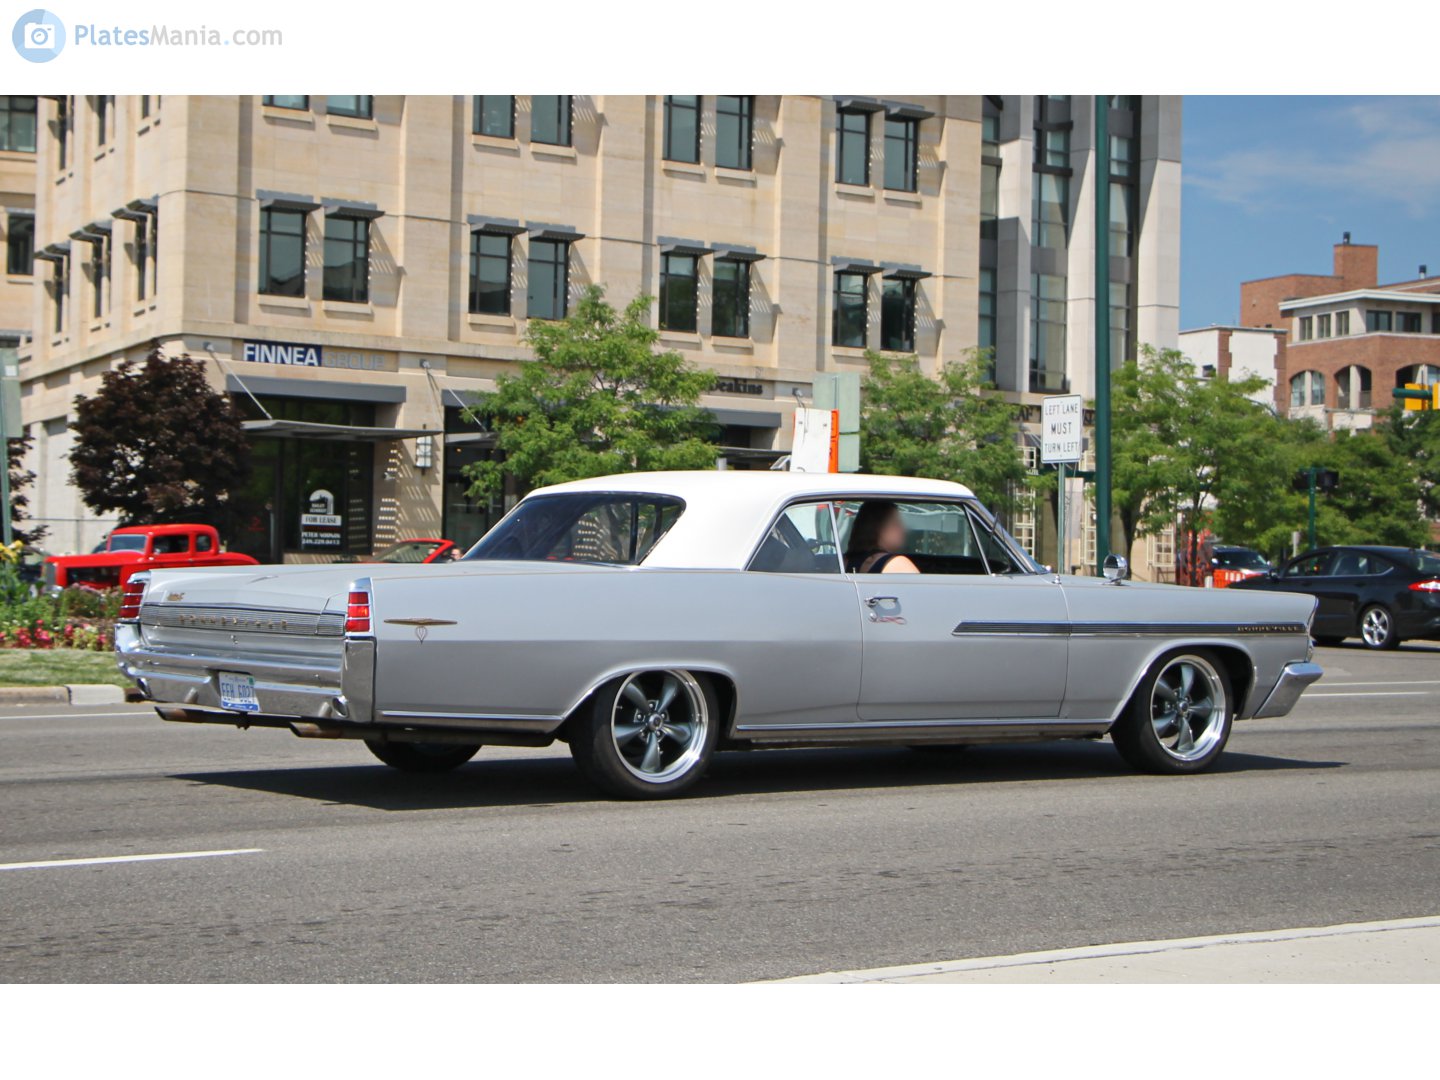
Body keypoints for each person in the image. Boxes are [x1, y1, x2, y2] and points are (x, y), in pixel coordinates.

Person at [844, 500, 920, 574]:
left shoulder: (845, 562)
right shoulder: (896, 564)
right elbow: (922, 586)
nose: (903, 530)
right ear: (878, 528)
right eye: (896, 523)